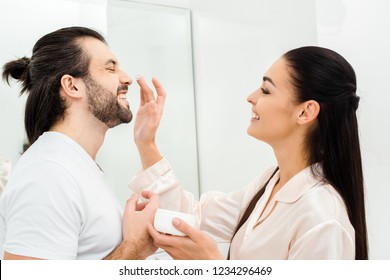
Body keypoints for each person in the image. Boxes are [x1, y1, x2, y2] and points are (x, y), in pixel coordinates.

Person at [129, 46, 369, 260]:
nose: (251, 97)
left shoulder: (322, 219)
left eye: (265, 90)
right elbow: (192, 217)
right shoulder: (270, 183)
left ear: (306, 112)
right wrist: (146, 142)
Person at [0, 26, 162, 260]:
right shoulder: (47, 175)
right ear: (72, 86)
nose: (127, 78)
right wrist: (135, 247)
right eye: (110, 68)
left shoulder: (74, 166)